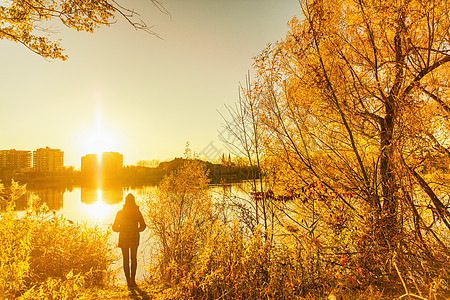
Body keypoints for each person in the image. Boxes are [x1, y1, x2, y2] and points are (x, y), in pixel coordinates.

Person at [112, 193, 146, 287]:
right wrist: (136, 230)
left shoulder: (120, 213)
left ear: (125, 202)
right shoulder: (137, 212)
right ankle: (133, 281)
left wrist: (122, 229)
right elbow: (143, 226)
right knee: (133, 258)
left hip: (123, 237)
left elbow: (114, 227)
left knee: (126, 259)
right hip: (134, 237)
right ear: (134, 201)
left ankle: (128, 281)